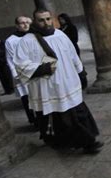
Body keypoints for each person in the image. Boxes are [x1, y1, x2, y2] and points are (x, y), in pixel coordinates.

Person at [14, 9, 101, 154]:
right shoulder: (26, 41)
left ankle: (88, 141)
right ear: (35, 21)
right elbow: (20, 65)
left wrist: (81, 72)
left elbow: (73, 54)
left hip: (68, 84)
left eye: (48, 19)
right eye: (41, 20)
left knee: (77, 113)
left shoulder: (60, 34)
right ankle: (66, 142)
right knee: (55, 117)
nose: (46, 22)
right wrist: (42, 68)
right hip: (47, 87)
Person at [5, 16, 37, 125]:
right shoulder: (11, 40)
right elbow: (10, 59)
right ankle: (33, 120)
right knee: (27, 97)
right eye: (22, 23)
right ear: (17, 25)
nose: (25, 25)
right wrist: (15, 74)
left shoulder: (34, 36)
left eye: (27, 22)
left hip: (37, 70)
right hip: (22, 73)